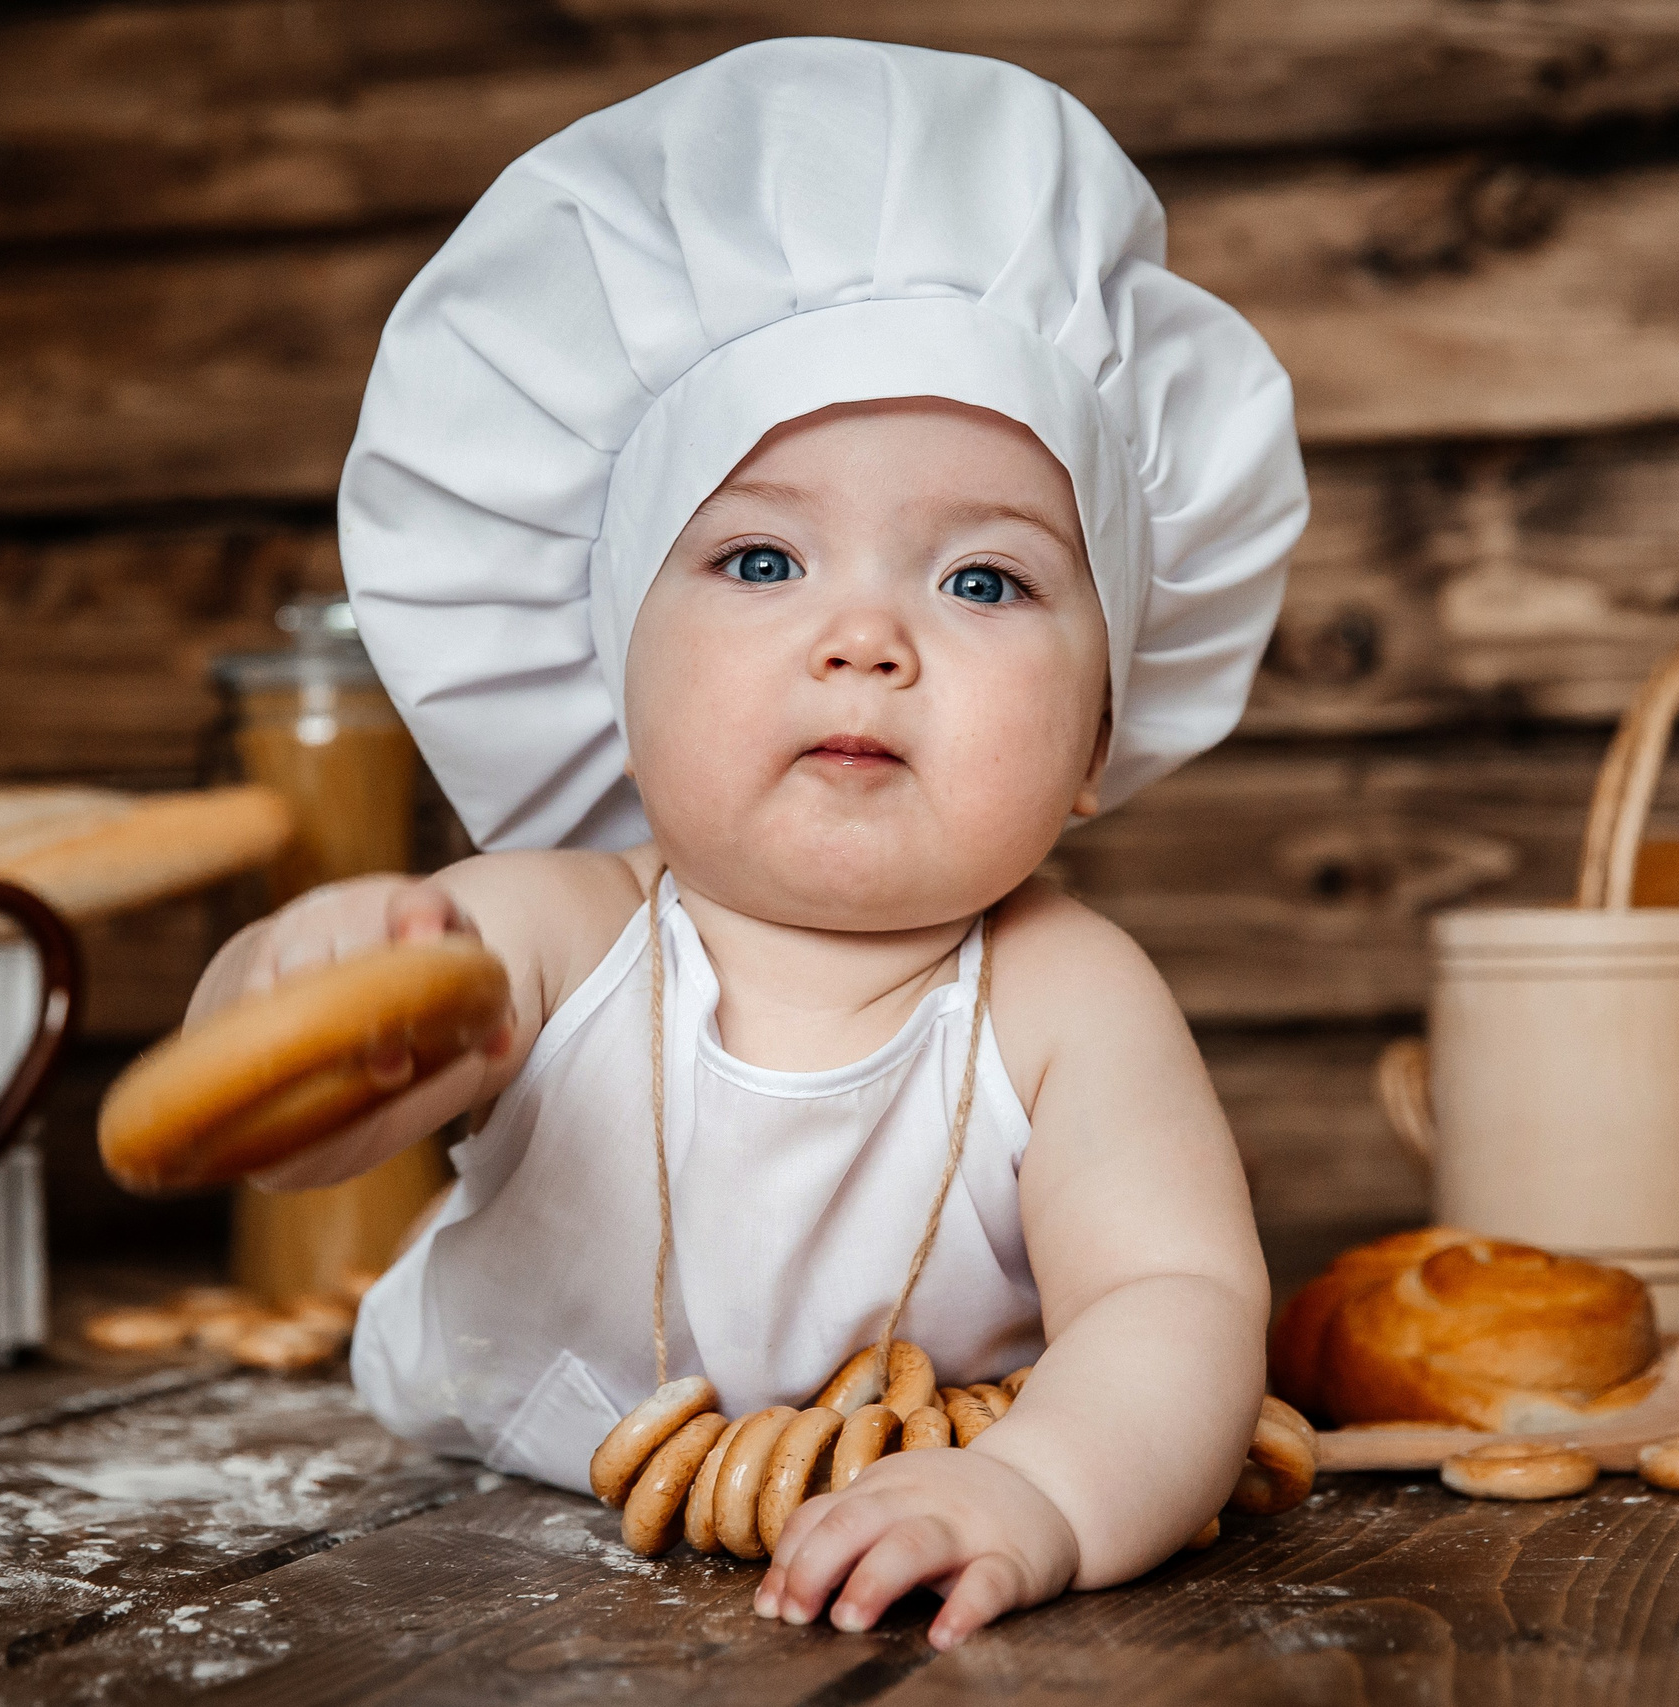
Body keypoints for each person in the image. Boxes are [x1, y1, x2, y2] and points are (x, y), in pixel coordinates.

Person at [186, 38, 1307, 1647]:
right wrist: (296, 986)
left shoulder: (1072, 998)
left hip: (887, 1517)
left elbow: (1175, 1303)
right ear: (612, 667)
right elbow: (307, 1098)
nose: (865, 637)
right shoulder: (558, 925)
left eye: (983, 582)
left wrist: (1041, 1494)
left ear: (1097, 742)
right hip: (491, 1544)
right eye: (763, 559)